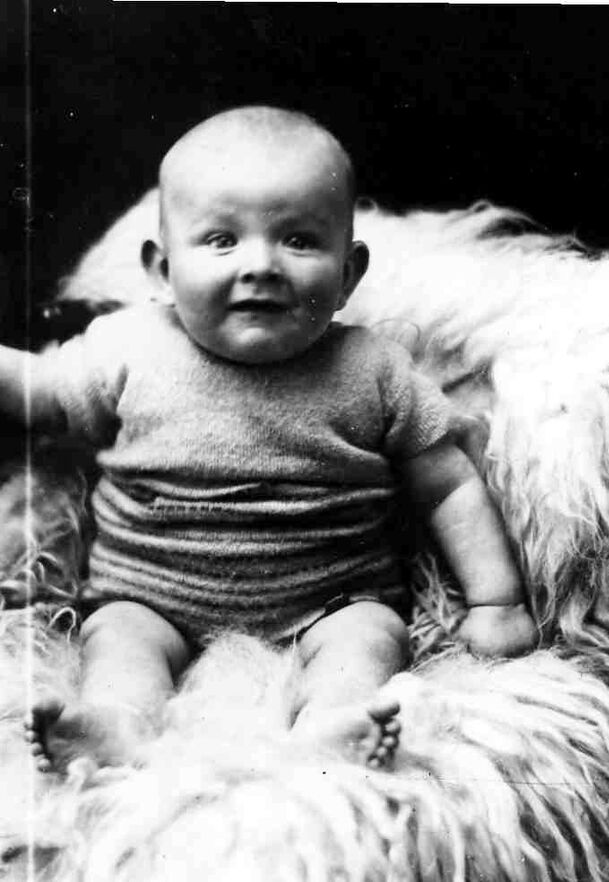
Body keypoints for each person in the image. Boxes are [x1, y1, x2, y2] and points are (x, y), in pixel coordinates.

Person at [11, 106, 537, 774]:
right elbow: (40, 389)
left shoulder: (374, 369)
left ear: (348, 274)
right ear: (161, 270)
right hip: (150, 597)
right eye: (221, 240)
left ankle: (332, 725)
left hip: (329, 601)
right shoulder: (128, 347)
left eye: (298, 240)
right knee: (117, 642)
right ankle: (117, 724)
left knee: (369, 637)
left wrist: (497, 600)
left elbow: (449, 485)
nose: (260, 264)